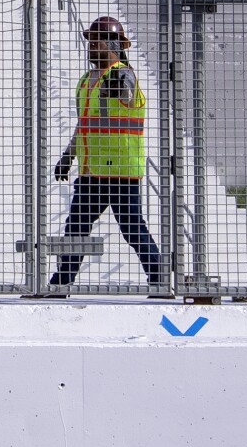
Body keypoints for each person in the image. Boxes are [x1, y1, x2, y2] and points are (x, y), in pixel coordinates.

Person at [46, 15, 164, 292]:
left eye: (95, 41)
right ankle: (60, 283)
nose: (90, 46)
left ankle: (159, 280)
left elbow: (127, 96)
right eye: (89, 41)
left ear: (111, 43)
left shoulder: (123, 73)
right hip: (93, 172)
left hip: (122, 172)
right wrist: (68, 156)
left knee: (133, 229)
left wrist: (118, 86)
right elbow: (85, 124)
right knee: (76, 228)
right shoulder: (88, 80)